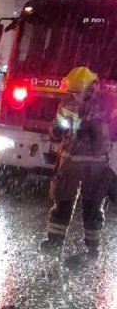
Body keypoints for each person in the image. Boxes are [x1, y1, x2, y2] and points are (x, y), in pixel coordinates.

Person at [41, 66, 115, 255]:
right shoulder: (67, 101)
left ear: (90, 87)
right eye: (72, 91)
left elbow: (114, 131)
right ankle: (55, 240)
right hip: (70, 159)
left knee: (92, 203)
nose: (76, 96)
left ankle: (92, 246)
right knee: (62, 199)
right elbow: (57, 123)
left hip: (96, 161)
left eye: (79, 92)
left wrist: (96, 131)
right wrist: (55, 131)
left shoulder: (107, 102)